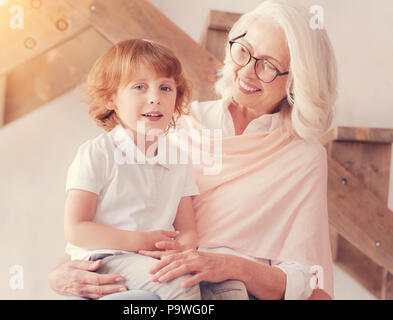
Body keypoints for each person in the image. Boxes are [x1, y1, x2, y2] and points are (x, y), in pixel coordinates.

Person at [49, 0, 337, 300]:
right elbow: (103, 226)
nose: (247, 72)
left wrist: (231, 266)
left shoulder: (302, 158)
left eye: (267, 65)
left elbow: (314, 290)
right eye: (244, 51)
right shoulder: (176, 126)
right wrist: (58, 275)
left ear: (296, 80)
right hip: (151, 277)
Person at [62, 39, 247, 300]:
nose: (155, 98)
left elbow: (188, 230)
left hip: (153, 257)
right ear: (110, 98)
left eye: (165, 88)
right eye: (139, 87)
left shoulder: (178, 160)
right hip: (108, 258)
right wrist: (143, 241)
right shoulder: (98, 153)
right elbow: (77, 228)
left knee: (231, 289)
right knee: (177, 283)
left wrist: (178, 250)